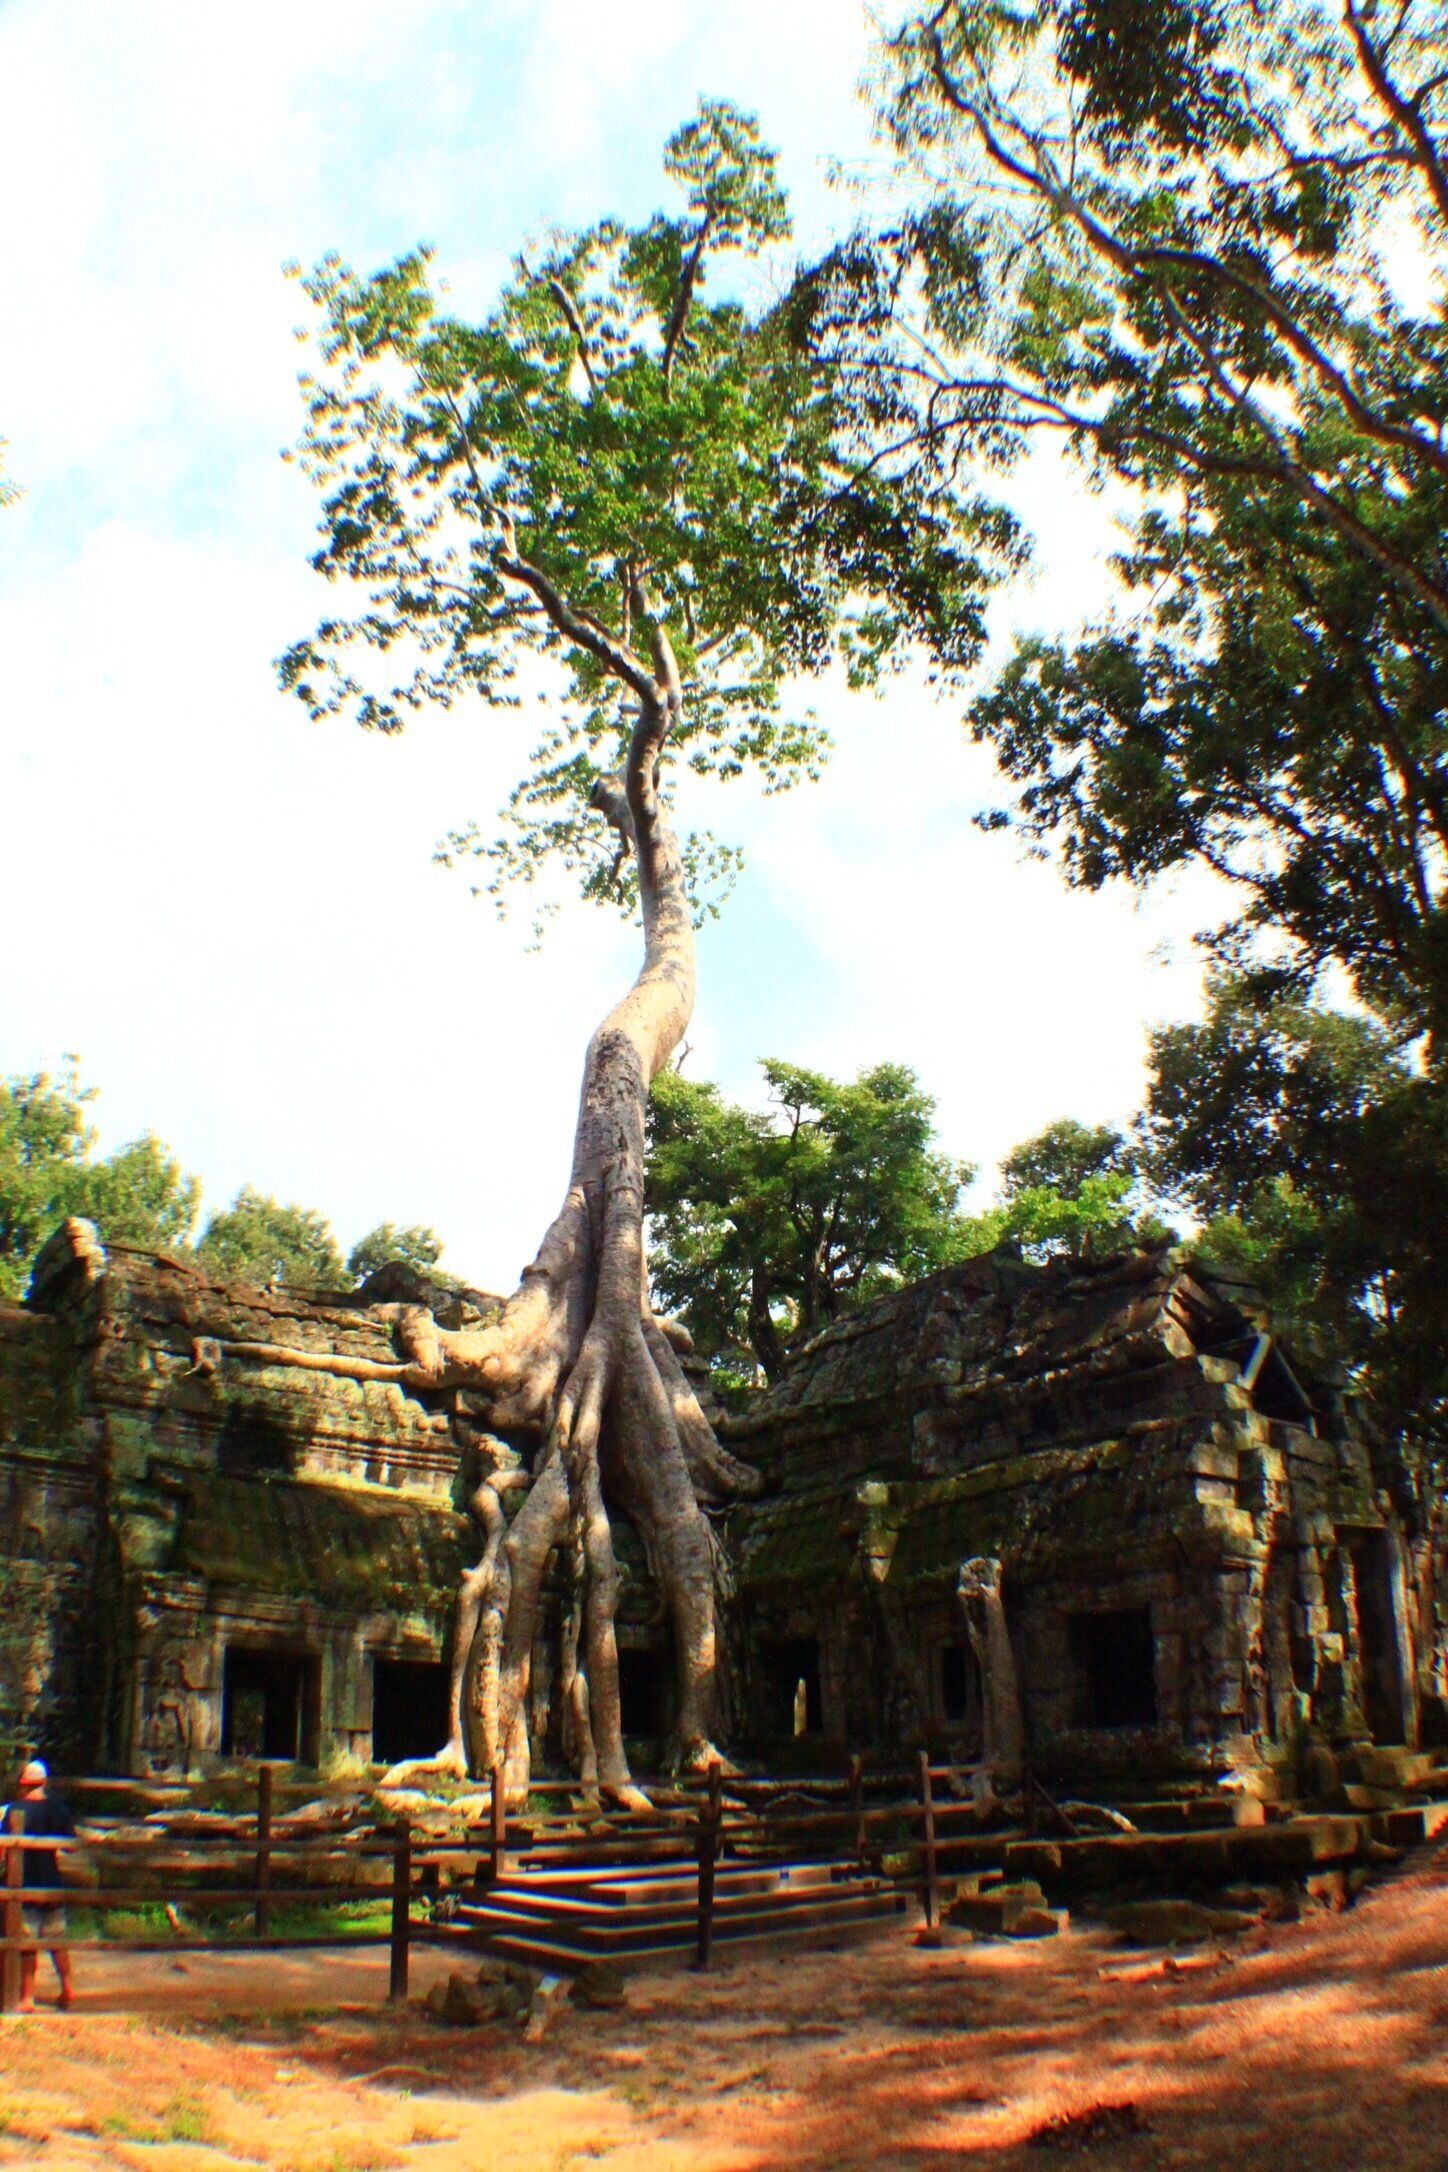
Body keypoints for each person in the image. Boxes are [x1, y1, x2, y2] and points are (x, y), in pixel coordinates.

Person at [5, 1759, 76, 2012]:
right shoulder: (59, 1810)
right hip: (51, 1881)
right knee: (57, 1940)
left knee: (28, 1944)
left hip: (24, 1883)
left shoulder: (15, 1810)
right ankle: (67, 1987)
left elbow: (4, 1848)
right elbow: (71, 1845)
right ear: (44, 1782)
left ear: (24, 1783)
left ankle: (28, 1997)